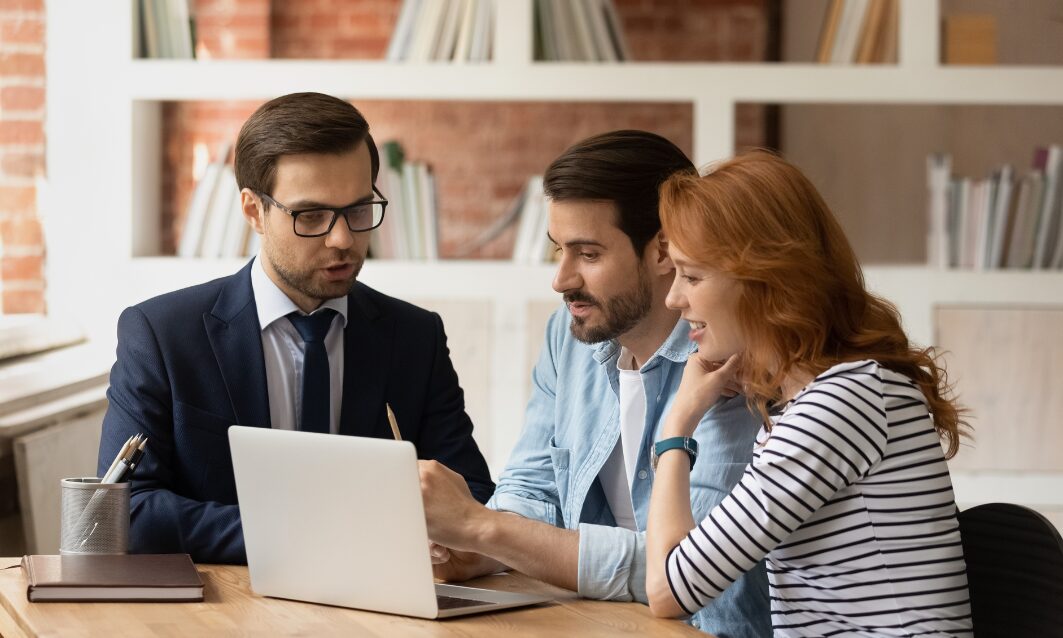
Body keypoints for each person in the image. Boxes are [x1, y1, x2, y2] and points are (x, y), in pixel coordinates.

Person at [97, 92, 494, 564]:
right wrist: (310, 537)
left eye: (359, 209)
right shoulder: (160, 335)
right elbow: (126, 509)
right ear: (252, 211)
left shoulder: (415, 337)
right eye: (311, 216)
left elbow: (471, 497)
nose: (344, 238)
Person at [418, 130, 771, 637]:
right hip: (593, 621)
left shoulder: (726, 359)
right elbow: (533, 486)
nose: (560, 279)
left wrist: (486, 529)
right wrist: (475, 550)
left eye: (587, 254)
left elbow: (694, 569)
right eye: (557, 250)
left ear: (663, 252)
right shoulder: (569, 340)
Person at [645, 150, 973, 636]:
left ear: (765, 280)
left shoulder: (841, 404)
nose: (674, 298)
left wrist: (678, 424)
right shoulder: (820, 399)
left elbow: (669, 590)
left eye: (692, 276)